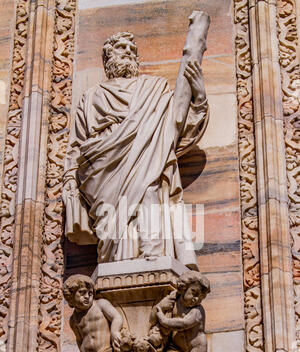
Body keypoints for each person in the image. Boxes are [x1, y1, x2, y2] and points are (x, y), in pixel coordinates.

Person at [63, 32, 208, 269]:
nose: (128, 51)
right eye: (121, 47)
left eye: (132, 48)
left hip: (147, 166)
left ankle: (152, 262)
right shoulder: (89, 98)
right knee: (114, 240)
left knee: (149, 192)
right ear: (108, 56)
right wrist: (70, 178)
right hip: (103, 177)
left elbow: (177, 129)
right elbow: (77, 146)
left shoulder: (154, 89)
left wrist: (199, 96)